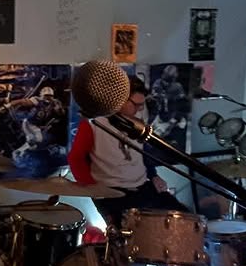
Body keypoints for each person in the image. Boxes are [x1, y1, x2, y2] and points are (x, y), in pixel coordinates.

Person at [68, 75, 188, 228]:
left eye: (141, 105)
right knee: (135, 235)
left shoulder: (137, 120)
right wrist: (93, 188)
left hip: (142, 187)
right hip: (112, 194)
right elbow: (76, 159)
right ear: (119, 100)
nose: (139, 109)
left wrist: (153, 175)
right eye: (136, 104)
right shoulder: (93, 124)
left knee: (184, 219)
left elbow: (141, 151)